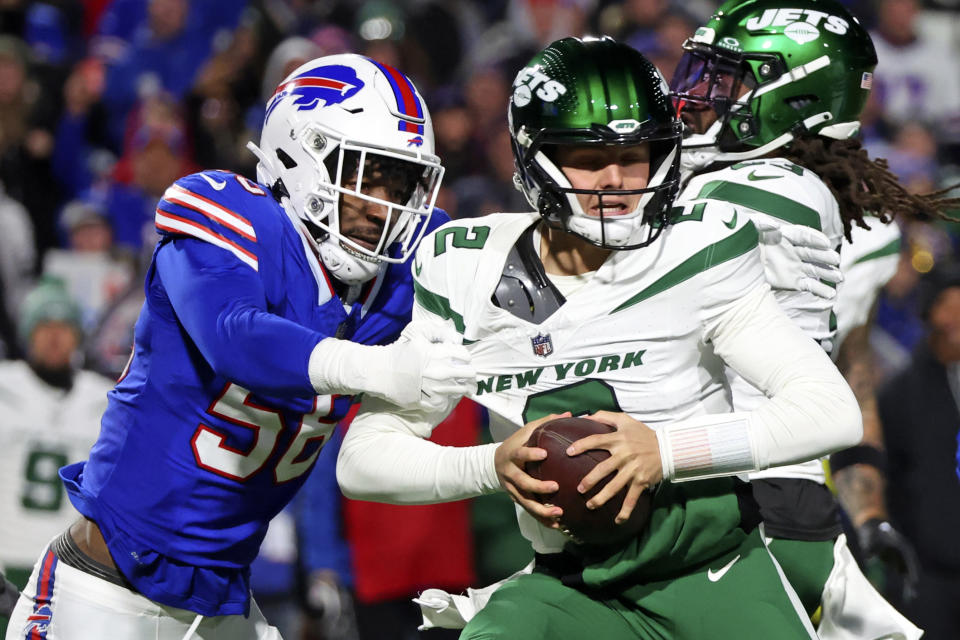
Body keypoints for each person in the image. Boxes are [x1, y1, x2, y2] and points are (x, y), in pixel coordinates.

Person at [336, 36, 862, 639]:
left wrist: (664, 451)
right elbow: (363, 461)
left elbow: (830, 413)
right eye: (588, 157)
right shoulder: (466, 268)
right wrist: (492, 465)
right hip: (570, 586)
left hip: (713, 573)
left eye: (637, 154)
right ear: (535, 156)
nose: (616, 180)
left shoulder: (700, 246)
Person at [4, 53, 473, 640]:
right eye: (366, 177)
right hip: (103, 593)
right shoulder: (230, 216)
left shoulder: (395, 280)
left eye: (399, 183)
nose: (384, 206)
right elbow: (235, 335)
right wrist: (378, 365)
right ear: (302, 157)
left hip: (224, 604)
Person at [667, 0, 957, 635]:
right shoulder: (704, 187)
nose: (701, 94)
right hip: (712, 483)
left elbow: (852, 375)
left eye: (729, 79)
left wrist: (870, 508)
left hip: (742, 494)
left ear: (795, 96)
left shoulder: (739, 202)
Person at [0, 281, 114, 639]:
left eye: (64, 327)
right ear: (28, 333)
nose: (54, 337)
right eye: (44, 327)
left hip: (70, 571)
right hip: (6, 561)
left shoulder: (103, 400)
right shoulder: (5, 386)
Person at [878, 261, 960, 640]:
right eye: (948, 306)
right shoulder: (900, 394)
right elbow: (887, 474)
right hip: (927, 573)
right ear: (929, 314)